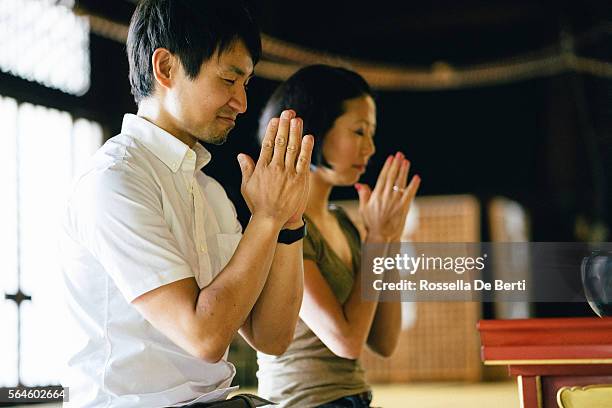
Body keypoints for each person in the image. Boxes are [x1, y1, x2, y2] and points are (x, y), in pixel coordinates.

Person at [59, 1, 313, 407]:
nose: (242, 103)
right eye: (230, 79)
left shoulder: (207, 189)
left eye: (245, 84)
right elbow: (205, 336)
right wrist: (265, 217)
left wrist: (288, 222)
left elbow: (272, 337)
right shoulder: (114, 181)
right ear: (166, 69)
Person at [256, 65, 421, 407]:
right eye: (359, 132)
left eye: (371, 133)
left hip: (356, 397)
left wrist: (389, 239)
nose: (371, 147)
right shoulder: (285, 230)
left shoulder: (342, 221)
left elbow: (385, 341)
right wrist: (375, 239)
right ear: (312, 130)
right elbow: (346, 340)